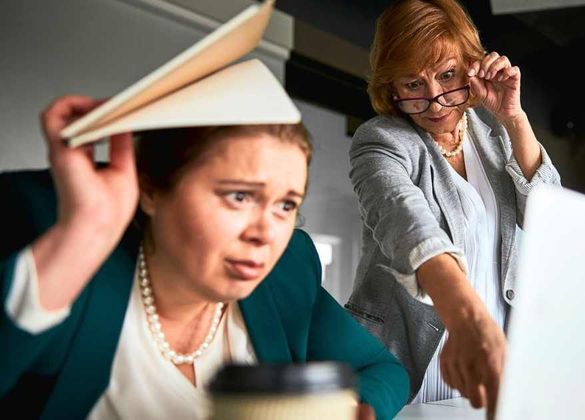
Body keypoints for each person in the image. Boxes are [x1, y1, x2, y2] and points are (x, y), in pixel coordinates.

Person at [0, 94, 409, 420]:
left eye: (286, 205)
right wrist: (81, 235)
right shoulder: (60, 248)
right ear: (151, 189)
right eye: (239, 196)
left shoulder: (286, 272)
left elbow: (383, 371)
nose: (265, 234)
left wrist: (355, 412)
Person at [345, 0, 561, 414]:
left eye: (447, 76)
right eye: (412, 86)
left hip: (488, 352)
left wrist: (515, 119)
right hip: (403, 361)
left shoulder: (494, 137)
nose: (436, 102)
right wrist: (467, 320)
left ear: (471, 66)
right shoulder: (382, 140)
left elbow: (549, 220)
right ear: (391, 89)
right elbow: (407, 225)